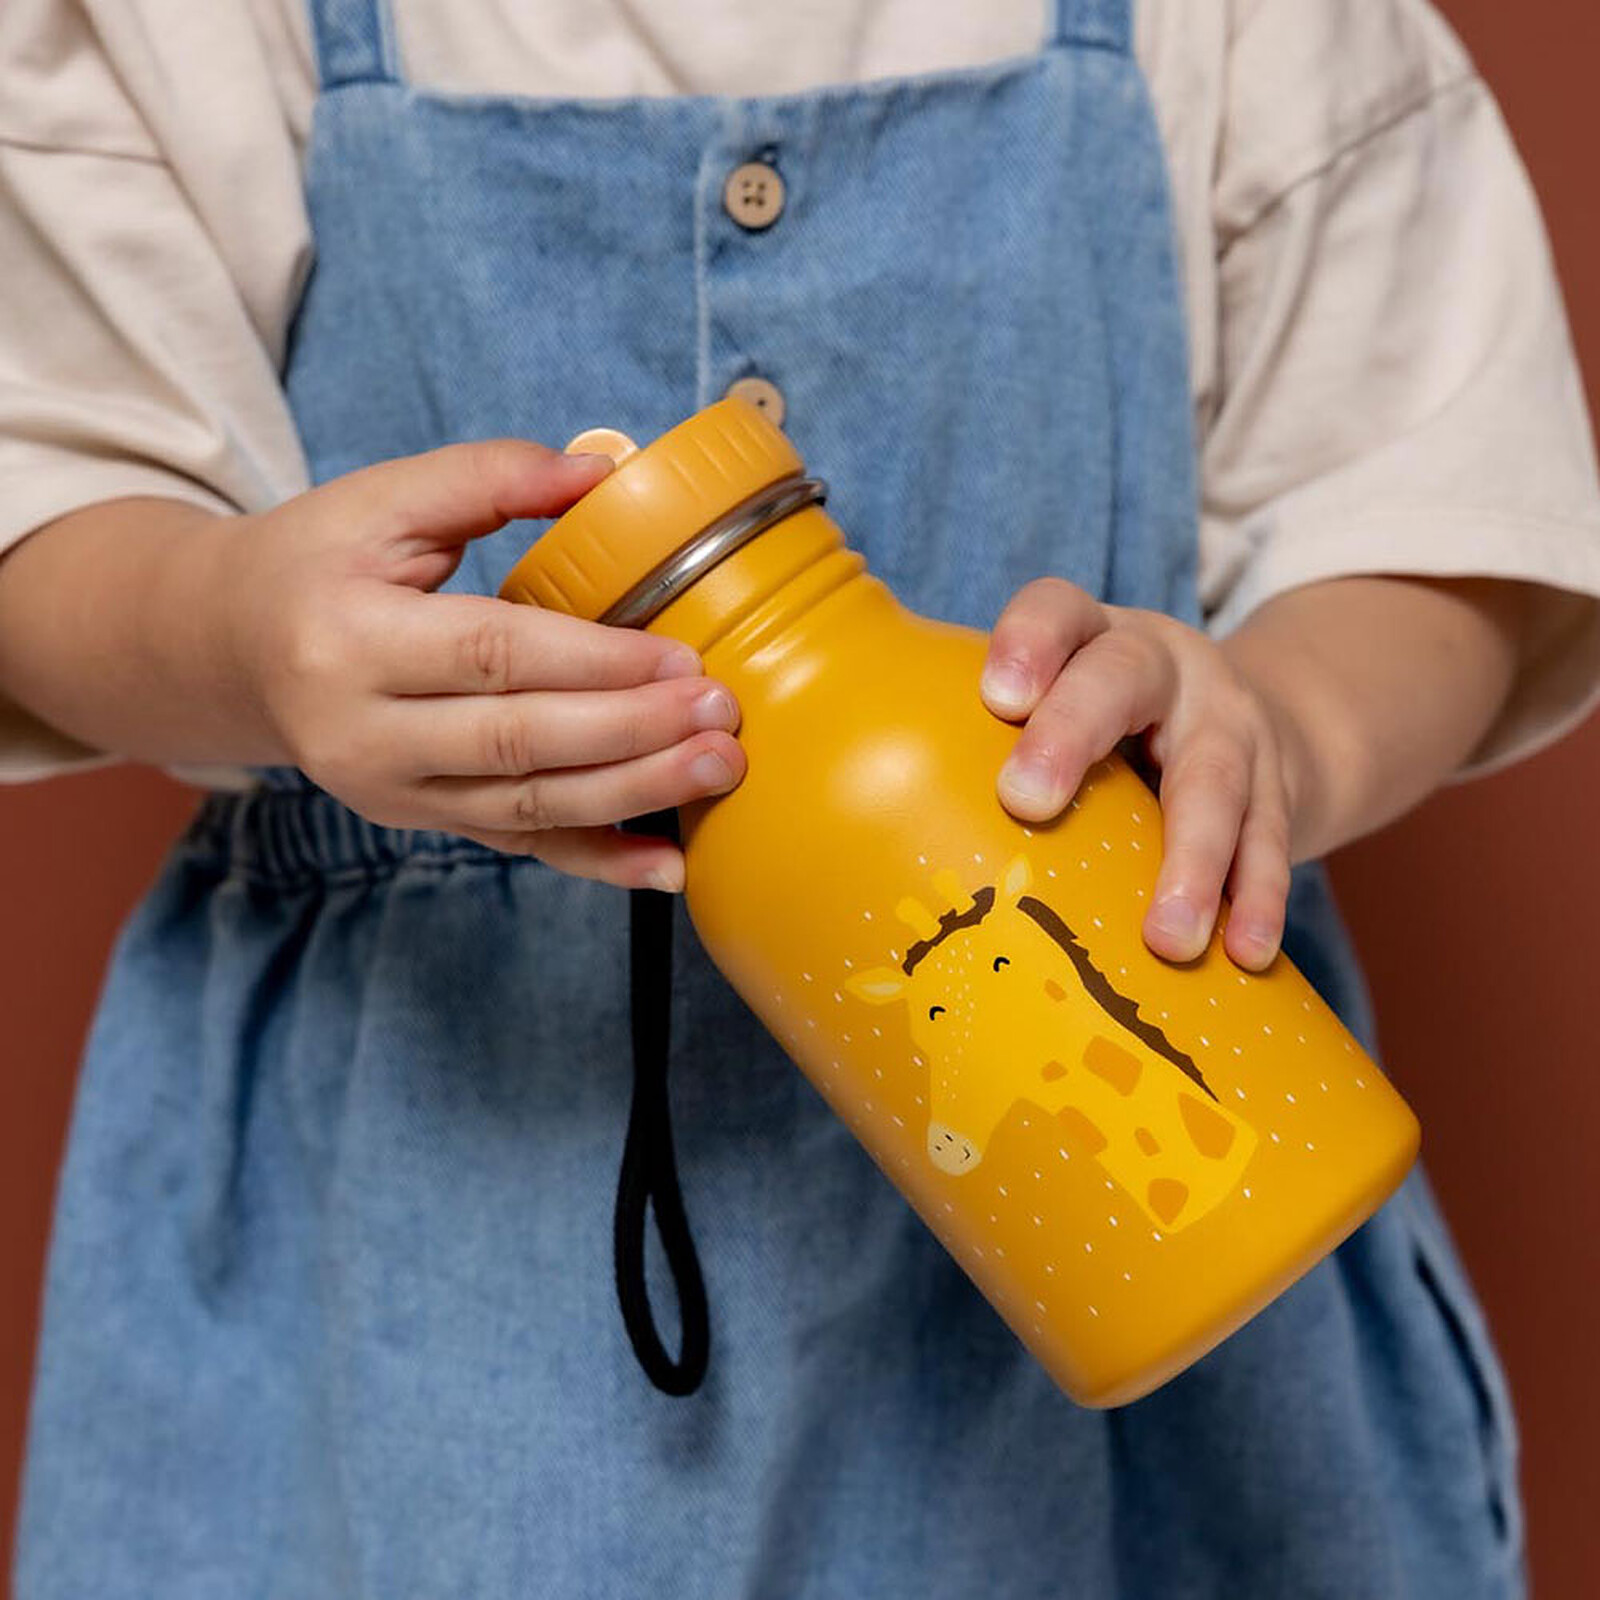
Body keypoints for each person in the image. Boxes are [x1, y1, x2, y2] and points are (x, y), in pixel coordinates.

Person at [3, 0, 1598, 1594]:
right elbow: (49, 504)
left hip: (1141, 1197)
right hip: (407, 1260)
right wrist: (240, 635)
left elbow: (1435, 504)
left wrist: (1275, 728)